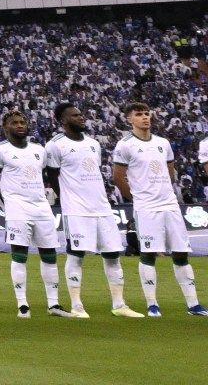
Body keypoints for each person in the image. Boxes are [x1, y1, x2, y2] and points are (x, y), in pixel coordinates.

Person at [43, 101, 137, 318]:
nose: (81, 117)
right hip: (76, 210)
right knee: (76, 256)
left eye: (81, 114)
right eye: (75, 115)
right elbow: (53, 177)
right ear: (63, 120)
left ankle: (119, 304)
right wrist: (68, 199)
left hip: (102, 208)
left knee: (113, 255)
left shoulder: (94, 144)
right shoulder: (55, 145)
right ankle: (77, 306)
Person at [110, 100, 205, 317]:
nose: (145, 117)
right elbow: (117, 177)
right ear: (129, 119)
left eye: (146, 113)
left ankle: (193, 304)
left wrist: (163, 189)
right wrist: (135, 197)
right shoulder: (125, 145)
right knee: (149, 253)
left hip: (169, 204)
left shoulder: (163, 142)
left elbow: (170, 172)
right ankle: (152, 304)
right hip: (146, 207)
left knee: (181, 252)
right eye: (139, 114)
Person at [0, 109, 69, 317]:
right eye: (15, 122)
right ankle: (23, 305)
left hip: (41, 207)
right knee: (19, 255)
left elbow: (43, 176)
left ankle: (53, 304)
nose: (20, 125)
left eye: (23, 121)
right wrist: (7, 207)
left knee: (49, 254)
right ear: (6, 127)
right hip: (16, 208)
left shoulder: (39, 150)